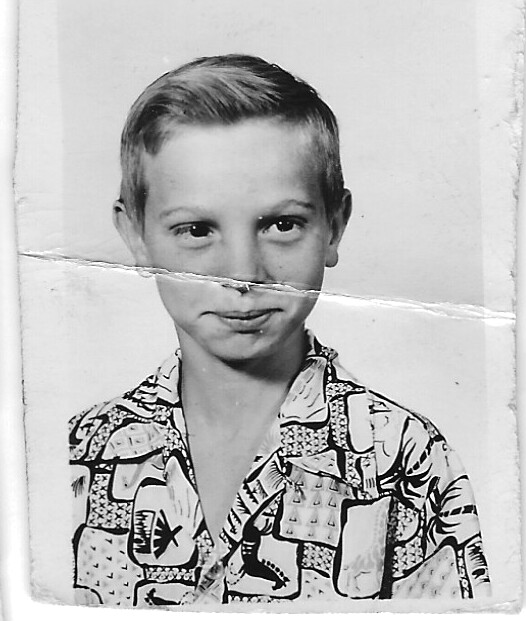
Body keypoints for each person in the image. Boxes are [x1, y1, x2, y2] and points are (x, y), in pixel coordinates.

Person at [69, 54, 490, 607]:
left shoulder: (404, 460)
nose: (243, 273)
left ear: (334, 226)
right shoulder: (79, 453)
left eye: (281, 224)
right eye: (196, 230)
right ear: (136, 236)